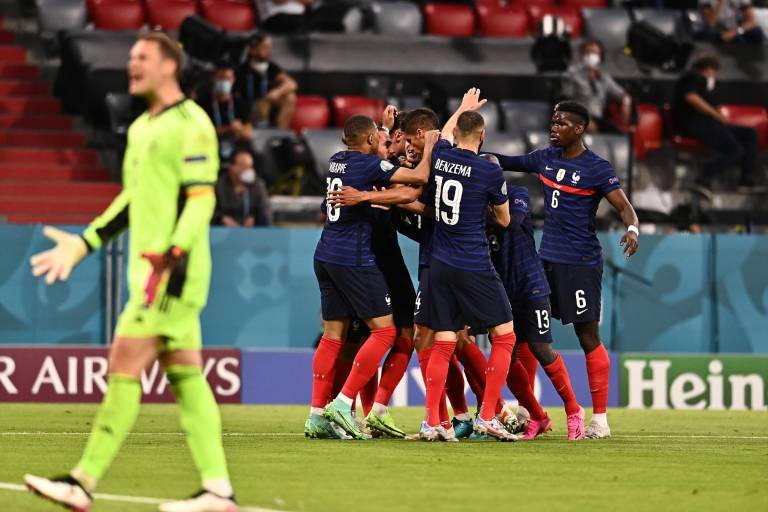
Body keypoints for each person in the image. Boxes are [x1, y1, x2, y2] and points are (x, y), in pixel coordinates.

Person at [24, 32, 237, 511]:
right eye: (129, 58)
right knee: (185, 377)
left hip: (170, 275)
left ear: (169, 66)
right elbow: (131, 201)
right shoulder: (141, 128)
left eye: (141, 58)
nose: (131, 65)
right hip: (153, 273)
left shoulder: (192, 123)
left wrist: (174, 254)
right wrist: (84, 243)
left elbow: (203, 200)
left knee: (123, 363)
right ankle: (218, 490)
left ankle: (82, 481)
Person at [492, 100, 639, 439]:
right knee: (529, 334)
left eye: (562, 124)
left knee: (587, 337)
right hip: (546, 262)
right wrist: (468, 151)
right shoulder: (545, 158)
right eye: (553, 122)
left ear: (579, 129)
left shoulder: (597, 168)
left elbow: (625, 207)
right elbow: (505, 161)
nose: (554, 128)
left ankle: (599, 419)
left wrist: (632, 230)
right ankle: (530, 412)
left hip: (581, 264)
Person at [307, 114, 436, 440]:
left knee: (333, 336)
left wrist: (367, 194)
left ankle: (316, 414)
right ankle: (343, 402)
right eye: (379, 138)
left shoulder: (337, 161)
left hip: (325, 255)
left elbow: (364, 157)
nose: (384, 143)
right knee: (385, 332)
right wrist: (433, 144)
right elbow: (416, 183)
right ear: (367, 142)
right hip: (354, 259)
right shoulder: (369, 165)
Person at [414, 105, 518, 442]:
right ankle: (488, 415)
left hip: (439, 262)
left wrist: (461, 107)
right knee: (505, 335)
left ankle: (433, 422)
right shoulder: (489, 172)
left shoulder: (441, 155)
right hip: (472, 262)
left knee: (444, 340)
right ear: (483, 136)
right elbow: (504, 220)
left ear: (457, 133)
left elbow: (440, 135)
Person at [484, 168, 585, 441]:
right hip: (502, 289)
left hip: (532, 285)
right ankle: (537, 415)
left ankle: (574, 410)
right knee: (506, 357)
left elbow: (512, 222)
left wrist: (479, 212)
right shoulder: (478, 203)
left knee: (542, 348)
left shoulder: (517, 194)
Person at [672, 55, 761, 188]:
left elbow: (707, 99)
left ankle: (747, 177)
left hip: (710, 124)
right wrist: (715, 114)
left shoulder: (698, 82)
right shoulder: (694, 77)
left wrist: (717, 110)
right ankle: (705, 176)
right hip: (696, 125)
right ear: (708, 70)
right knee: (734, 149)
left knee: (750, 134)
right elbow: (691, 97)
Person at [562, 39, 632, 134]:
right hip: (579, 117)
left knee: (619, 134)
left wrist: (626, 103)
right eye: (588, 52)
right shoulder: (571, 74)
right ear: (582, 55)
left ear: (600, 56)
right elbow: (565, 101)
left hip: (598, 118)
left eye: (594, 52)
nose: (591, 55)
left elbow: (622, 95)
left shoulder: (603, 77)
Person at [237, 34, 298, 129]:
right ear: (253, 50)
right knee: (261, 105)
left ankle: (281, 133)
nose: (269, 51)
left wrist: (276, 93)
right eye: (264, 47)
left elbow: (291, 84)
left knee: (290, 98)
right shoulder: (242, 70)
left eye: (269, 47)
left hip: (267, 102)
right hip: (247, 107)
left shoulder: (271, 67)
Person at [197, 61, 252, 161]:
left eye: (228, 78)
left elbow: (248, 134)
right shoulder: (202, 102)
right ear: (214, 78)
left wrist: (240, 130)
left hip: (235, 151)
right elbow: (201, 132)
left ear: (233, 80)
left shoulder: (240, 103)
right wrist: (228, 129)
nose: (224, 82)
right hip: (208, 149)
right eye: (221, 78)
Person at [214, 149, 271, 227]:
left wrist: (255, 218)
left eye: (250, 167)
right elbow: (211, 211)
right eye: (244, 166)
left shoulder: (258, 185)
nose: (248, 171)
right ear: (232, 167)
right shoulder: (219, 186)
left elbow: (265, 210)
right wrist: (222, 218)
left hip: (251, 232)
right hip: (223, 231)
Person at [696, 0, 764, 44]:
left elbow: (751, 21)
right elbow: (710, 23)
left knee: (757, 32)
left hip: (734, 31)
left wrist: (735, 32)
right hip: (714, 30)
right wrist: (720, 3)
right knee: (710, 31)